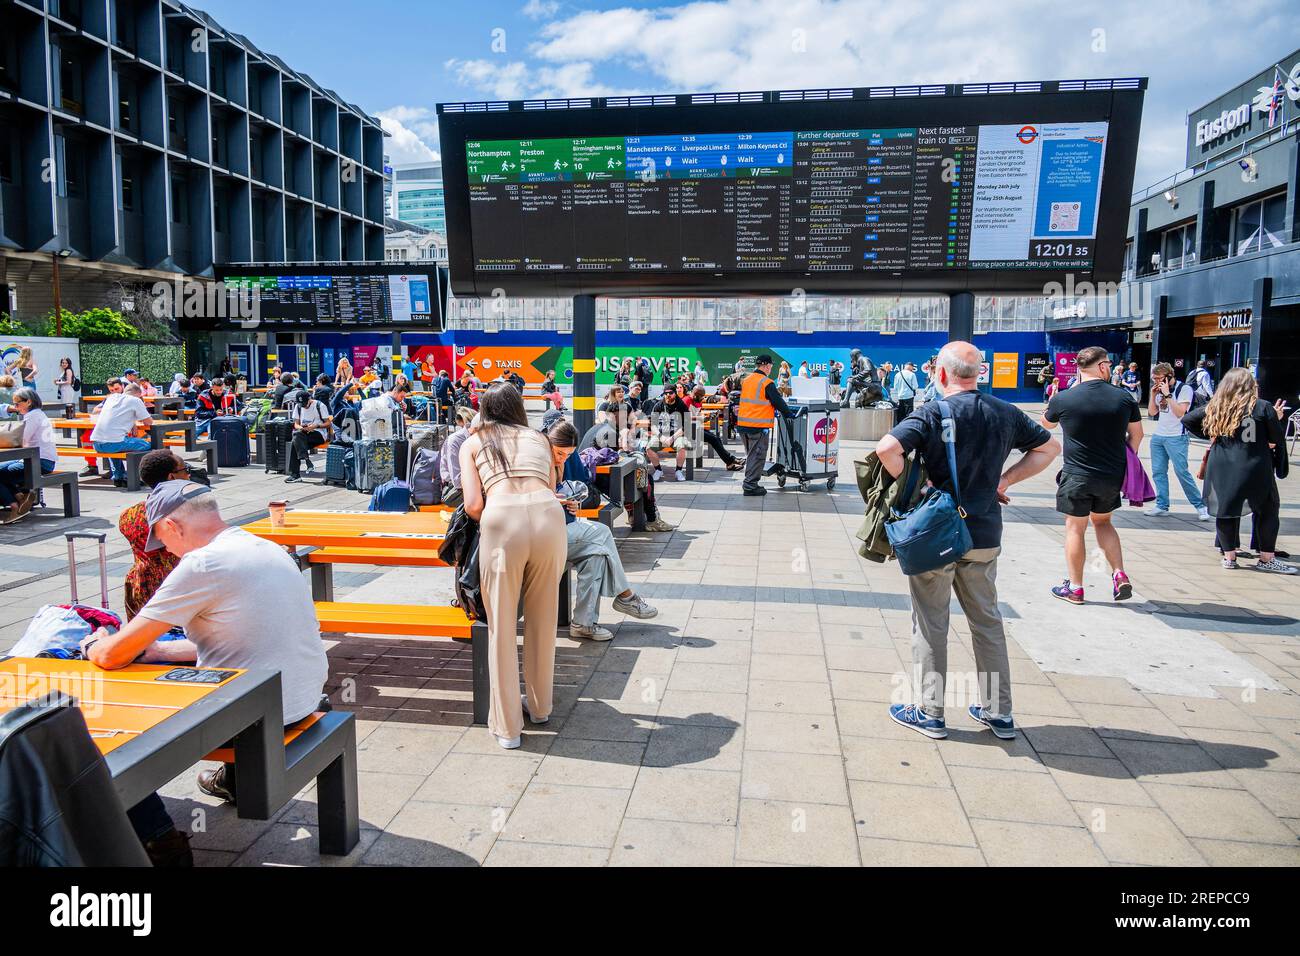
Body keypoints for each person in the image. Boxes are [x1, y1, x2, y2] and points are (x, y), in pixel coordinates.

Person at [80, 481, 329, 862]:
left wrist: (93, 644)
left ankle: (155, 834)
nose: (164, 551)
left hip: (254, 718)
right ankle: (219, 787)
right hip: (300, 696)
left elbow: (113, 655)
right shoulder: (263, 546)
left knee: (100, 730)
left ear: (171, 526)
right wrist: (161, 650)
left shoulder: (202, 563)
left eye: (161, 541)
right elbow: (243, 633)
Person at [875, 342, 1060, 741]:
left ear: (941, 374)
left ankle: (930, 712)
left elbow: (887, 449)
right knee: (987, 622)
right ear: (979, 374)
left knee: (930, 624)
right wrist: (1005, 480)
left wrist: (919, 488)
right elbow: (1049, 448)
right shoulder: (1006, 412)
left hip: (936, 535)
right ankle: (999, 712)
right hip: (984, 534)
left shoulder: (932, 411)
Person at [459, 383, 568, 749]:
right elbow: (551, 485)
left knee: (502, 625)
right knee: (543, 617)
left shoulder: (473, 443)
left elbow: (473, 505)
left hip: (503, 523)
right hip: (548, 519)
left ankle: (508, 729)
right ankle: (540, 708)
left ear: (484, 411)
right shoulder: (538, 438)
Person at [1041, 346, 1143, 605]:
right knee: (1104, 523)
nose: (1109, 367)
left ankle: (1075, 588)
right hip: (1111, 475)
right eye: (1108, 363)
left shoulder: (1064, 398)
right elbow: (1137, 434)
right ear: (1101, 366)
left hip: (1076, 474)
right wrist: (1126, 457)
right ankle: (1119, 573)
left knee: (1075, 528)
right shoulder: (1124, 399)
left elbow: (1047, 424)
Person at [545, 421, 658, 640]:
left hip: (559, 529)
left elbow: (576, 487)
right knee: (602, 534)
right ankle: (626, 595)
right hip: (543, 536)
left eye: (567, 455)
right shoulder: (539, 460)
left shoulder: (560, 460)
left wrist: (569, 502)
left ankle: (583, 624)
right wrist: (551, 499)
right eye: (560, 453)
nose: (563, 458)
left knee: (595, 555)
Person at [1183, 368, 1294, 574]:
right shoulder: (1262, 407)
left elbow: (1188, 420)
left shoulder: (1217, 406)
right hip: (1254, 465)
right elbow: (1276, 438)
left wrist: (1212, 436)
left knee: (1225, 510)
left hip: (1222, 464)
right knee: (1268, 509)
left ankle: (1229, 557)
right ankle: (1266, 558)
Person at [118, 450, 190, 618]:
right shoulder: (187, 513)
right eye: (185, 469)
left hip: (139, 587)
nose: (188, 475)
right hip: (176, 588)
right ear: (172, 477)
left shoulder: (129, 515)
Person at [1145, 362, 1210, 520]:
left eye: (1159, 378)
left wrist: (1167, 395)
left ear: (1169, 376)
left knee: (1182, 472)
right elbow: (1152, 412)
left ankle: (1200, 506)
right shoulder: (1159, 389)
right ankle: (1162, 505)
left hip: (1177, 437)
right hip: (1159, 436)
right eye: (1154, 379)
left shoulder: (1184, 389)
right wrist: (1154, 395)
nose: (1156, 382)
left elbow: (1181, 412)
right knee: (1158, 472)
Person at [737, 355, 794, 497]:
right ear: (766, 366)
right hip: (757, 426)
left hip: (743, 424)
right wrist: (789, 414)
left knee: (751, 455)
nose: (771, 369)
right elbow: (778, 401)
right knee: (757, 456)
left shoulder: (747, 380)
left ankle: (750, 483)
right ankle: (750, 485)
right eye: (771, 366)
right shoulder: (766, 382)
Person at [0, 388, 58, 524]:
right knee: (2, 470)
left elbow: (22, 441)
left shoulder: (32, 417)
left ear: (29, 402)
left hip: (39, 462)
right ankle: (20, 497)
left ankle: (15, 506)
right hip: (42, 460)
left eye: (17, 404)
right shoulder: (38, 414)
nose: (15, 407)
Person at [90, 382, 153, 487]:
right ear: (139, 394)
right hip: (113, 443)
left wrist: (132, 422)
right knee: (147, 445)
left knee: (115, 443)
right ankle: (133, 476)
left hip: (96, 443)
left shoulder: (111, 398)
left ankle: (118, 477)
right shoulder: (136, 400)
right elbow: (148, 422)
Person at [284, 388, 333, 482]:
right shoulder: (298, 407)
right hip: (303, 434)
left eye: (305, 403)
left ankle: (296, 474)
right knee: (296, 439)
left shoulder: (319, 405)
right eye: (301, 404)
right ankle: (306, 461)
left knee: (296, 440)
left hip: (319, 434)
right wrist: (302, 428)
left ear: (310, 399)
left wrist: (316, 426)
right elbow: (296, 424)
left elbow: (328, 423)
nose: (303, 406)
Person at [647, 386, 690, 482]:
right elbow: (653, 425)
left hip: (677, 435)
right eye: (666, 393)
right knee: (649, 448)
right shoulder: (658, 405)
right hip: (661, 435)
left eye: (670, 393)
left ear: (675, 393)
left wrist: (672, 438)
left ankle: (678, 471)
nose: (668, 395)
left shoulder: (682, 406)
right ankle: (658, 470)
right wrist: (661, 437)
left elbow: (686, 426)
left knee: (682, 446)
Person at [439, 406, 476, 506]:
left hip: (469, 485)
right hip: (454, 491)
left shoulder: (474, 438)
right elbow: (457, 482)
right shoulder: (455, 441)